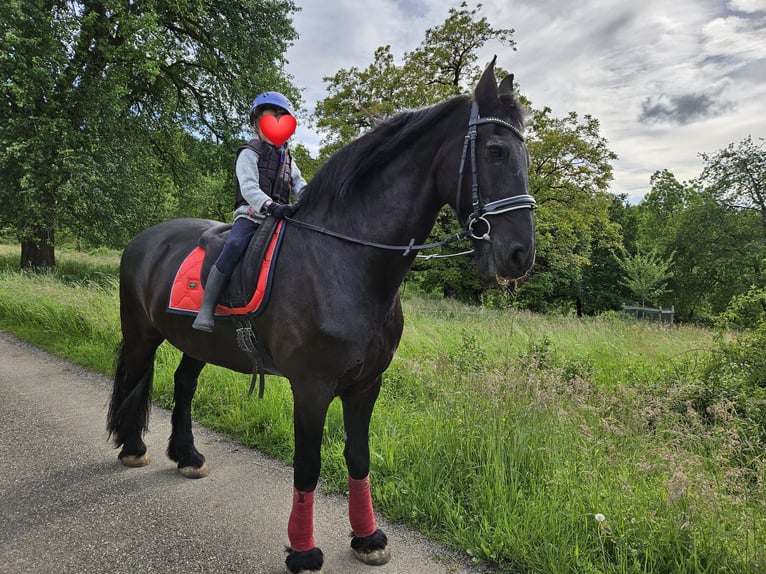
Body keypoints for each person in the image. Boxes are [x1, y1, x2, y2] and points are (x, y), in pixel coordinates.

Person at [192, 91, 307, 332]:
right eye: (270, 118)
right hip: (252, 216)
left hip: (281, 218)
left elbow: (299, 184)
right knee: (233, 246)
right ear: (257, 123)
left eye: (280, 118)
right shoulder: (249, 152)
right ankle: (207, 306)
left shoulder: (288, 158)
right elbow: (249, 187)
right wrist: (270, 205)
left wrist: (310, 200)